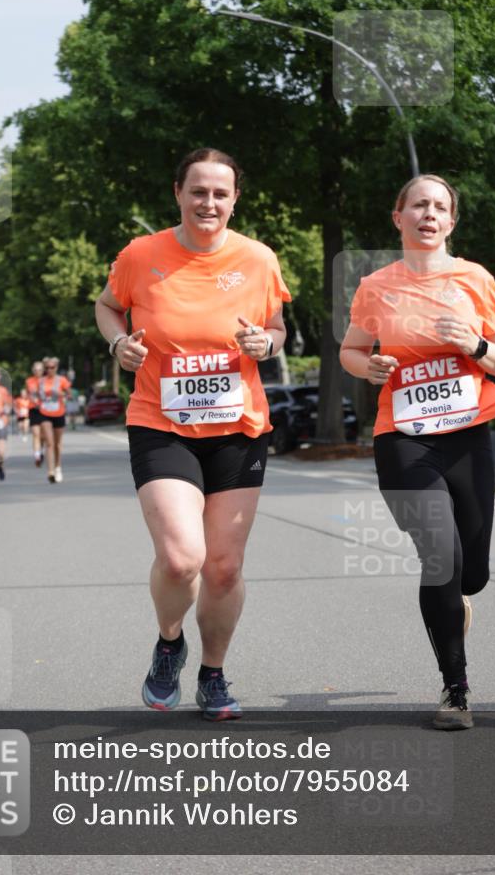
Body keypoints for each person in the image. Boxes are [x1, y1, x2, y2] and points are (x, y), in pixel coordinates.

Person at [95, 148, 290, 720]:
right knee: (183, 559)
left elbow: (276, 326)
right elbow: (108, 308)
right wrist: (118, 344)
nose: (209, 203)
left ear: (235, 199)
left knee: (224, 567)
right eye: (198, 191)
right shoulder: (141, 254)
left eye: (221, 193)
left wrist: (268, 344)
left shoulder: (257, 259)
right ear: (178, 192)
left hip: (239, 427)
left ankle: (213, 674)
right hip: (163, 423)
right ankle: (168, 643)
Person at [340, 174, 495, 730]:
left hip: (468, 437)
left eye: (440, 207)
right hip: (405, 438)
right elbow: (351, 349)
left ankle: (456, 604)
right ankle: (456, 690)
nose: (429, 214)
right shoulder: (375, 286)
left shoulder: (475, 279)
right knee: (440, 555)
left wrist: (477, 346)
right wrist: (366, 366)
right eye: (418, 204)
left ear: (451, 222)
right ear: (398, 217)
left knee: (472, 574)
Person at [37, 357, 71, 483]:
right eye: (47, 368)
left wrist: (60, 394)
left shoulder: (62, 380)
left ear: (56, 368)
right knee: (49, 442)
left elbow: (70, 395)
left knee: (57, 444)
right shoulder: (41, 381)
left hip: (59, 413)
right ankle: (50, 471)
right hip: (44, 413)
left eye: (52, 367)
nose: (49, 370)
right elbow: (36, 395)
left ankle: (58, 467)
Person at [26, 361, 45, 467]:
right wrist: (36, 403)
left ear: (43, 371)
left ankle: (41, 451)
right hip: (34, 409)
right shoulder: (30, 381)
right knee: (36, 434)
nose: (38, 371)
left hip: (46, 410)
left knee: (43, 436)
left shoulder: (47, 380)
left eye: (40, 369)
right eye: (36, 370)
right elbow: (32, 393)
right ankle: (37, 456)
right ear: (33, 371)